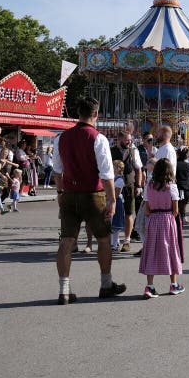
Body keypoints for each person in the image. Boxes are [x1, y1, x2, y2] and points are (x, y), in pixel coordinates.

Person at [54, 97, 126, 304]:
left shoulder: (62, 138)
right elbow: (106, 174)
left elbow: (58, 171)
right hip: (93, 195)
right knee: (103, 239)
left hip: (68, 195)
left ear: (78, 113)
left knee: (66, 241)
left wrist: (60, 193)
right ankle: (106, 284)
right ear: (96, 114)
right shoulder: (98, 138)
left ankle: (64, 290)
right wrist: (112, 200)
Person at [139, 158, 185, 299]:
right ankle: (173, 284)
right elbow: (175, 210)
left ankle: (150, 286)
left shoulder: (149, 186)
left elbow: (147, 209)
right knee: (171, 249)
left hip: (153, 219)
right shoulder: (172, 186)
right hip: (167, 220)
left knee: (151, 250)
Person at [109, 131, 143, 253]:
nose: (130, 142)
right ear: (119, 139)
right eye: (127, 139)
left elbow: (138, 170)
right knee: (113, 213)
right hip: (113, 186)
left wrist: (138, 186)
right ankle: (114, 241)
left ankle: (127, 241)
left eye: (130, 139)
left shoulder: (134, 151)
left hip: (129, 186)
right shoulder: (110, 151)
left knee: (129, 213)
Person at [175, 148, 189, 223]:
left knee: (178, 204)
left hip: (177, 187)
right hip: (186, 188)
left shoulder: (175, 165)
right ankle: (183, 217)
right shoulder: (187, 165)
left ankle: (179, 219)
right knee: (184, 204)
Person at [111, 161, 126, 251]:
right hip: (111, 200)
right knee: (111, 224)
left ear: (119, 168)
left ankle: (114, 244)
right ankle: (115, 242)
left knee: (114, 225)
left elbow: (115, 194)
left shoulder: (120, 180)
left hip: (116, 202)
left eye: (113, 166)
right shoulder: (113, 177)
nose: (112, 167)